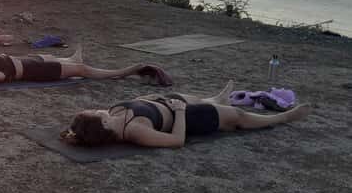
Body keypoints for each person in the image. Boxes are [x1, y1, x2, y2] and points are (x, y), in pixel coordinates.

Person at [59, 81, 312, 148]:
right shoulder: (135, 131)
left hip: (166, 104)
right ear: (102, 121)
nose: (95, 107)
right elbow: (177, 141)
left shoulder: (113, 112)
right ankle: (282, 117)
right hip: (185, 116)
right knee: (237, 116)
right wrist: (179, 112)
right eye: (92, 111)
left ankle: (216, 97)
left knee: (194, 98)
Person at [0, 45, 173, 86]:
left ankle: (71, 59)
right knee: (82, 71)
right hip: (40, 72)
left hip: (34, 60)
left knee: (61, 58)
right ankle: (129, 71)